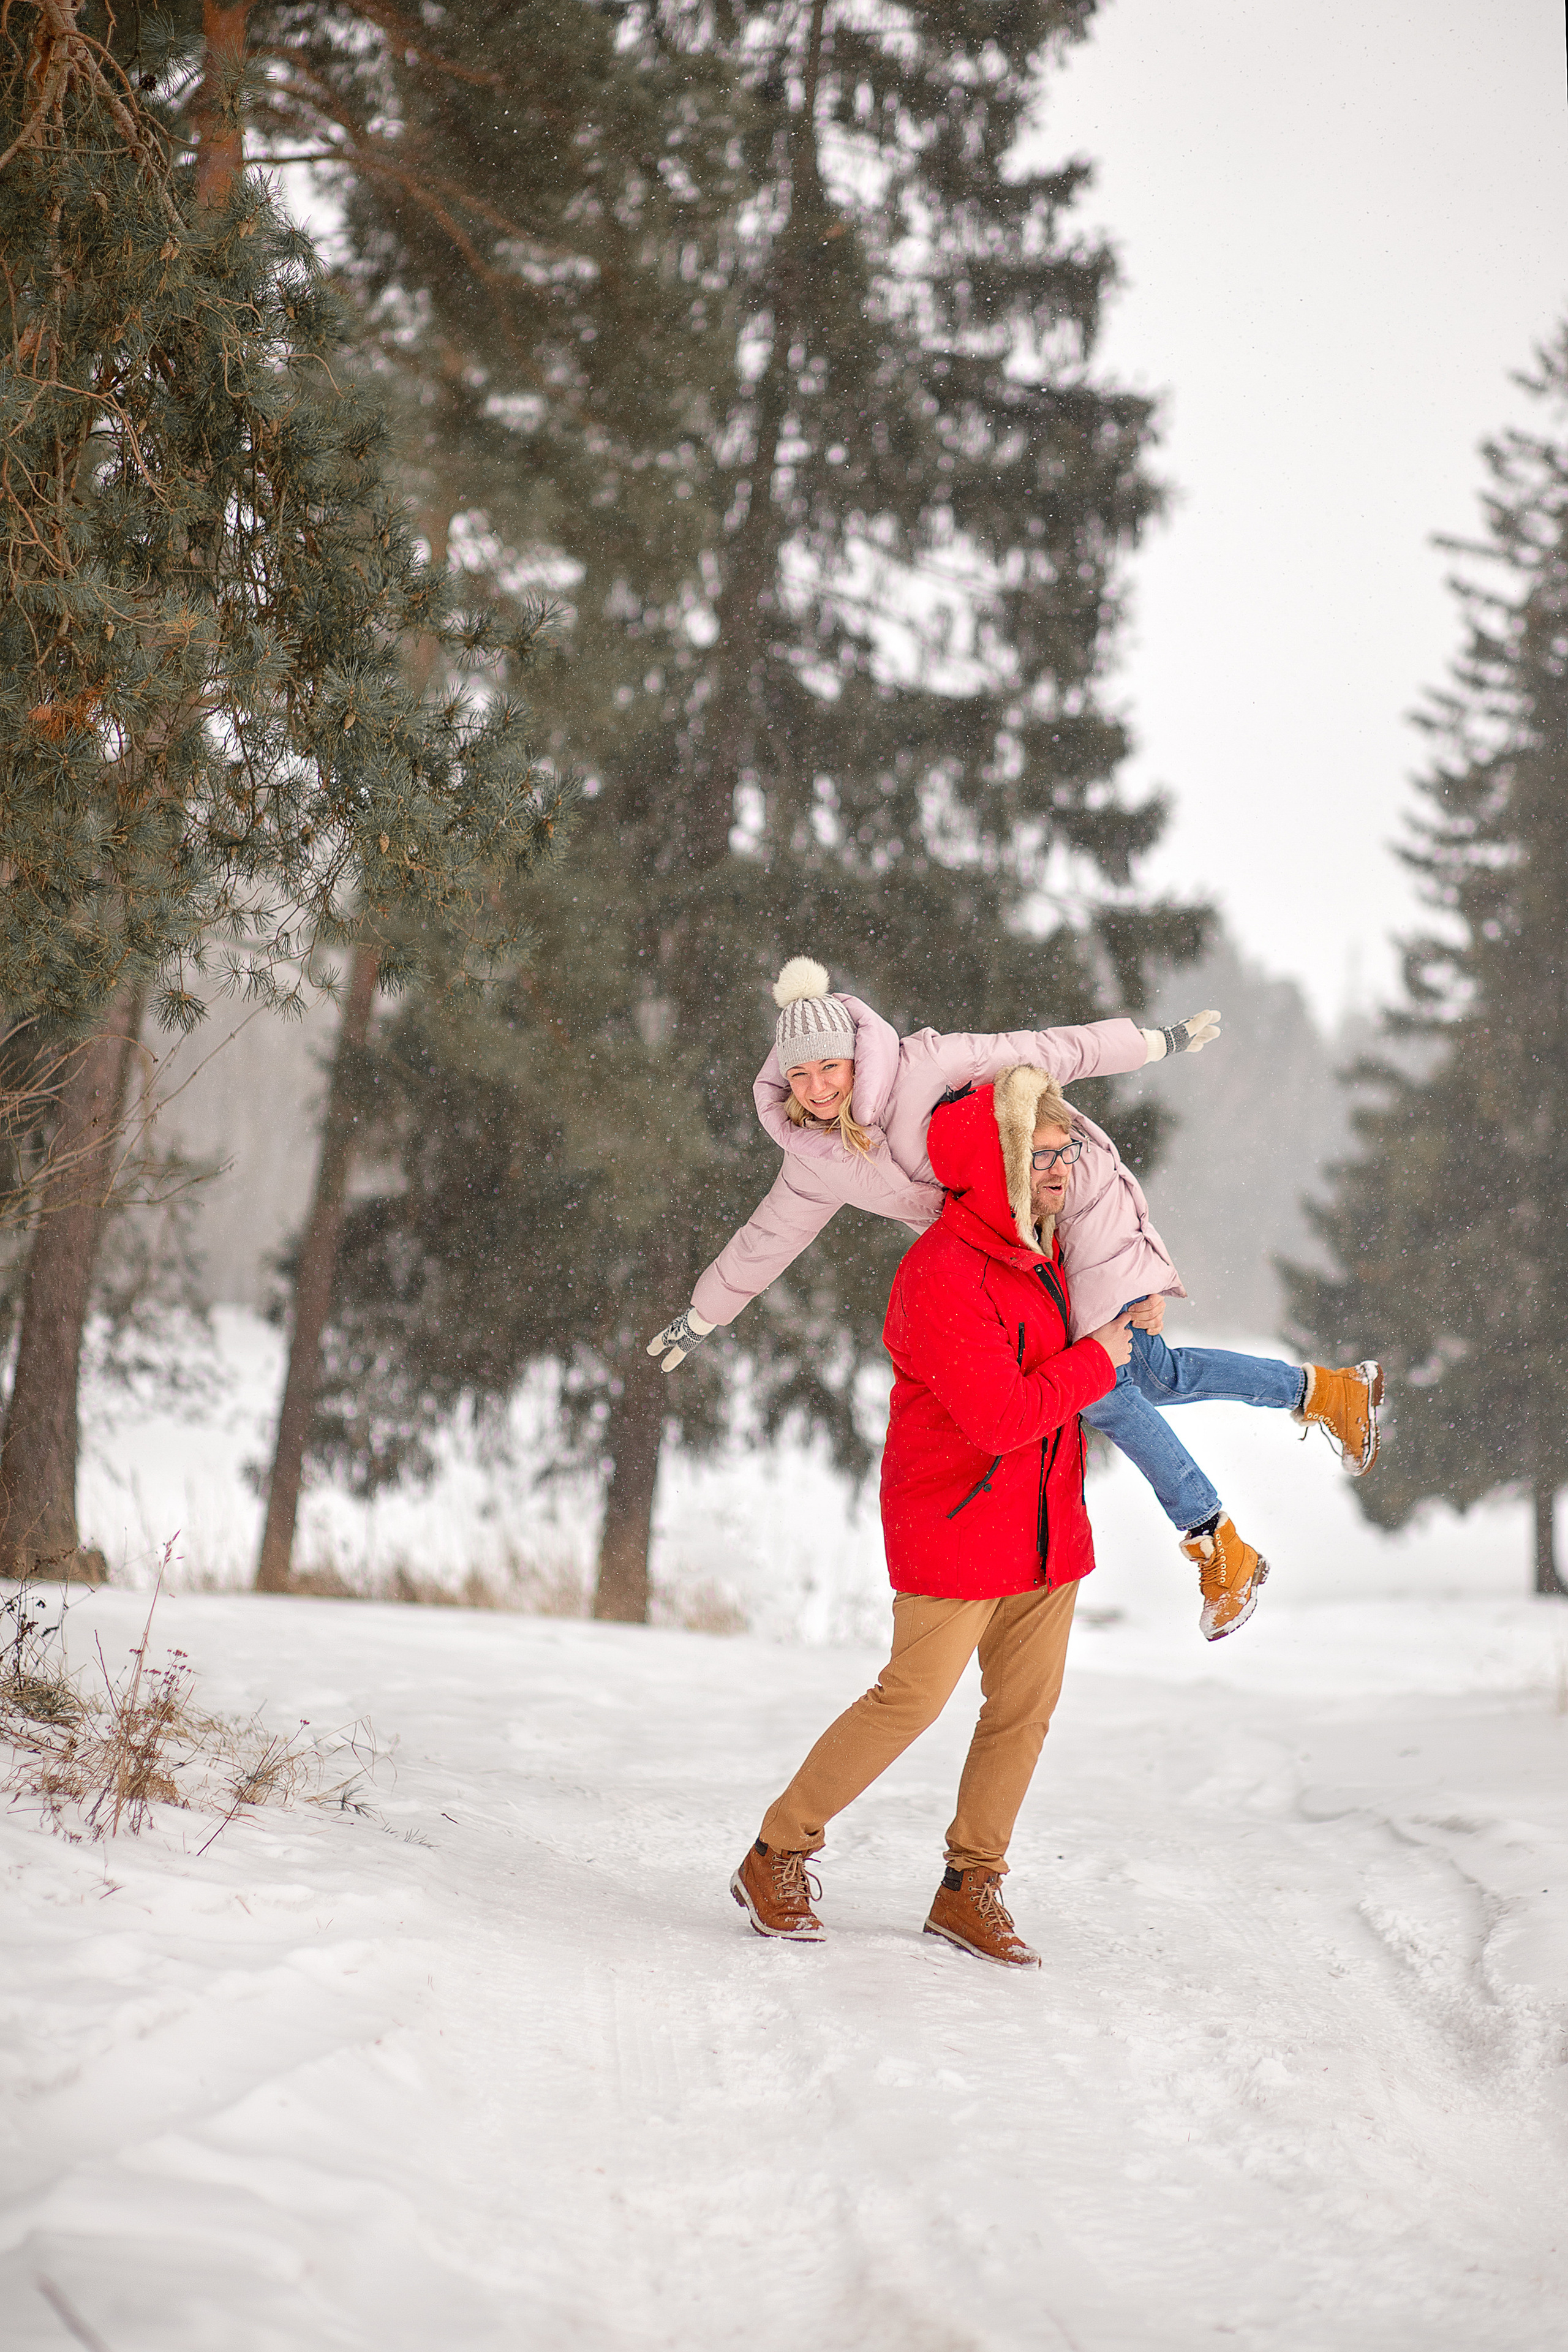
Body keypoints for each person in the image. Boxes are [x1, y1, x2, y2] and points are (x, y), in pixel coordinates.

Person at [649, 959, 1382, 1638]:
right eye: (800, 1074)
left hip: (1074, 1188)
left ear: (855, 1055)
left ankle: (1216, 1539)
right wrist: (702, 1314)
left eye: (829, 1067)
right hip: (1025, 1230)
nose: (816, 1088)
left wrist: (1152, 1044)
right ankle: (1326, 1393)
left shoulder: (926, 1063)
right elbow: (767, 1237)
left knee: (1095, 1389)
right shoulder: (815, 1160)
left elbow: (1048, 1050)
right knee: (1149, 1374)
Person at [729, 1069, 1131, 1964]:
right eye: (1045, 1153)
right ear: (998, 1163)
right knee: (909, 1700)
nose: (1064, 1169)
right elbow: (999, 1417)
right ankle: (776, 1852)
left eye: (1069, 1151)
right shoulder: (944, 1271)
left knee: (1022, 1714)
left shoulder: (1051, 1255)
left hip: (1044, 1525)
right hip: (956, 1523)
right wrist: (1101, 1357)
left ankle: (970, 1886)